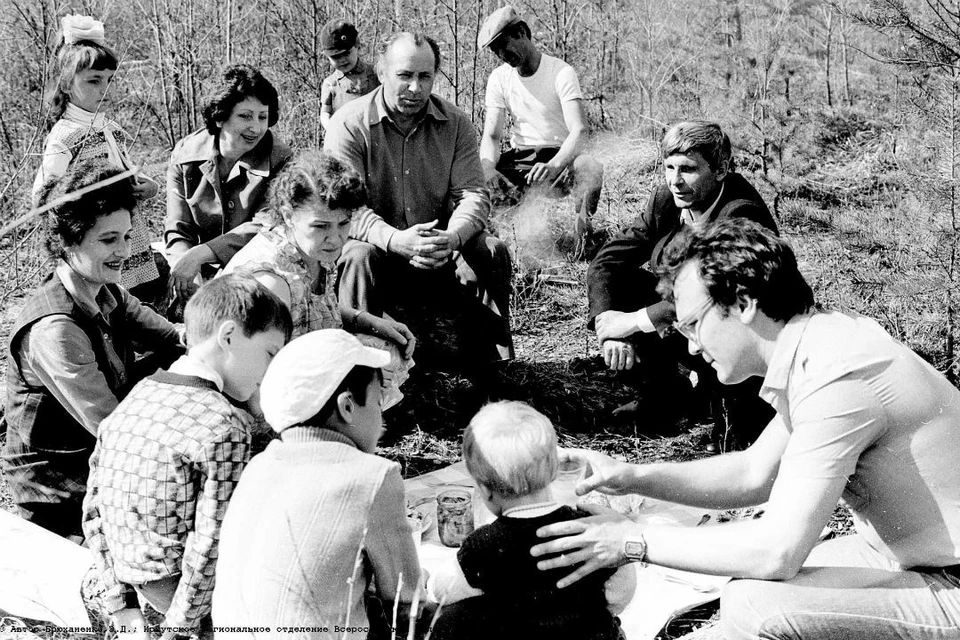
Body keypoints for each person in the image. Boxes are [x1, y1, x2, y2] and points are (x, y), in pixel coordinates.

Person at [532, 219, 960, 640]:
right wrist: (628, 477)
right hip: (906, 556)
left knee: (754, 604)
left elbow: (778, 552)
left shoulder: (838, 376)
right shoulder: (821, 344)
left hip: (949, 581)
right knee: (739, 582)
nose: (692, 346)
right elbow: (755, 474)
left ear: (743, 302)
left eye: (693, 325)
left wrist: (631, 539)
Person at [81, 274, 292, 639]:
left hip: (137, 579)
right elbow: (212, 540)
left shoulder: (138, 396)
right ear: (228, 337)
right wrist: (181, 629)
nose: (270, 371)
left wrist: (122, 602)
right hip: (185, 592)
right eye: (270, 354)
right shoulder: (225, 424)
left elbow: (95, 504)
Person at [2, 160, 182, 541]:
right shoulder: (55, 329)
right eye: (108, 240)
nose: (124, 251)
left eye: (127, 236)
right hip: (57, 488)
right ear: (69, 241)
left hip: (93, 453)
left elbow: (172, 339)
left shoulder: (105, 288)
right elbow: (111, 428)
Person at [211, 329, 423, 638]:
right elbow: (406, 603)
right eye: (379, 403)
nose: (382, 420)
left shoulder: (259, 466)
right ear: (347, 406)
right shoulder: (372, 476)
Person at [324, 32, 513, 366]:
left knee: (491, 250)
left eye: (425, 76)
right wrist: (395, 239)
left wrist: (452, 237)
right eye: (405, 76)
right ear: (381, 72)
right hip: (379, 251)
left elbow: (473, 195)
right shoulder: (349, 125)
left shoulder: (455, 124)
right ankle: (363, 371)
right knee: (357, 255)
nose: (415, 88)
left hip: (437, 252)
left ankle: (493, 365)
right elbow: (344, 207)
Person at [587, 121, 777, 443]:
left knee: (733, 442)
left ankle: (727, 408)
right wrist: (608, 325)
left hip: (741, 345)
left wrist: (632, 322)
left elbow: (711, 297)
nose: (675, 181)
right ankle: (664, 397)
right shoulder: (668, 199)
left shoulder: (742, 214)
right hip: (690, 330)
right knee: (623, 281)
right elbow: (607, 262)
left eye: (688, 169)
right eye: (669, 167)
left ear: (721, 170)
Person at [221, 150, 415, 408]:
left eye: (344, 224)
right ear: (289, 215)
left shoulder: (312, 249)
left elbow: (314, 313)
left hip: (307, 370)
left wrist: (367, 320)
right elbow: (253, 381)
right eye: (321, 226)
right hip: (263, 401)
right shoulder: (270, 281)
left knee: (386, 346)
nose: (335, 238)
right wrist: (351, 374)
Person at [427, 401, 635, 640]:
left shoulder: (482, 544)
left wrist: (428, 579)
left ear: (484, 490)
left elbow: (443, 591)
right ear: (555, 470)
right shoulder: (593, 526)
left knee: (451, 619)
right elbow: (622, 591)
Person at [33, 14, 161, 295]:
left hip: (126, 233)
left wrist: (145, 185)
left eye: (109, 80)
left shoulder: (108, 127)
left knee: (131, 300)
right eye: (93, 81)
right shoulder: (65, 135)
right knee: (102, 299)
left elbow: (123, 169)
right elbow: (44, 197)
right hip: (94, 239)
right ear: (66, 85)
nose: (104, 89)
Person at [165, 63, 293, 301]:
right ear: (220, 117)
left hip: (256, 270)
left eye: (262, 117)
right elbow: (178, 227)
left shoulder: (281, 160)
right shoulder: (185, 155)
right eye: (245, 116)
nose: (255, 127)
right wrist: (186, 269)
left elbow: (266, 228)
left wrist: (202, 254)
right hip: (197, 270)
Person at [477, 6, 603, 243]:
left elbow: (579, 130)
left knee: (589, 165)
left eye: (505, 45)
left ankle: (582, 233)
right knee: (478, 178)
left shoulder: (560, 72)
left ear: (522, 32)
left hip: (559, 160)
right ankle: (505, 239)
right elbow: (492, 136)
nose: (503, 55)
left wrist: (556, 165)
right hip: (520, 162)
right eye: (496, 51)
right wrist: (487, 167)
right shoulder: (499, 78)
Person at [319, 19, 380, 131]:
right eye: (335, 57)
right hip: (346, 137)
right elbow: (325, 113)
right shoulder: (330, 84)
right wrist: (332, 129)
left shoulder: (376, 73)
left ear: (357, 45)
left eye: (346, 53)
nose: (342, 60)